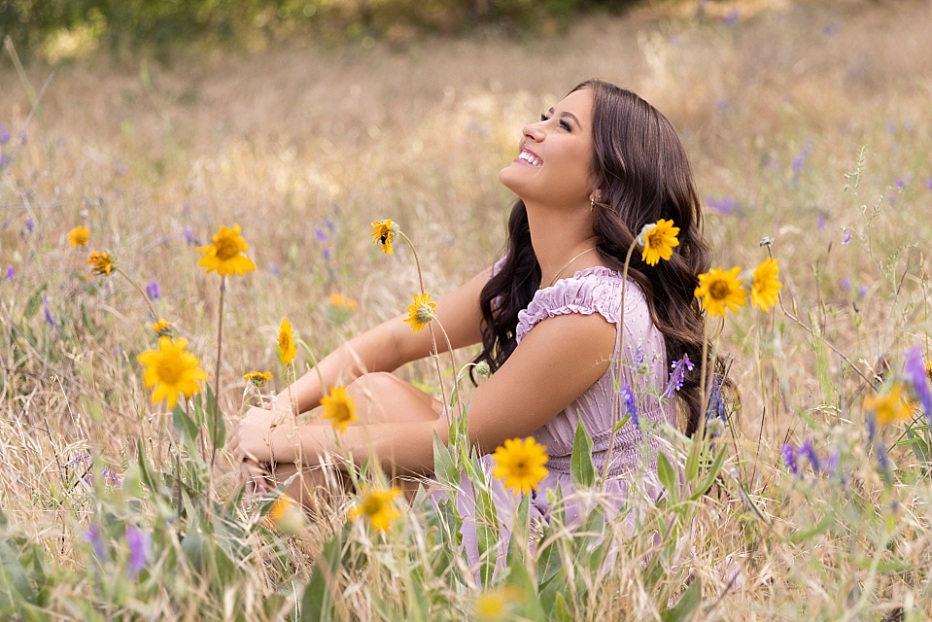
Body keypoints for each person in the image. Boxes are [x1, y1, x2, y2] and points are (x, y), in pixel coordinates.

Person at [229, 79, 714, 535]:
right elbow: (399, 339)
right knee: (375, 395)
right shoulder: (537, 269)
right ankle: (242, 522)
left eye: (563, 126)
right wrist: (273, 411)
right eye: (546, 116)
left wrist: (278, 440)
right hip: (519, 486)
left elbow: (449, 441)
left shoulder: (595, 312)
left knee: (368, 420)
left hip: (566, 539)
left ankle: (235, 531)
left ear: (607, 183)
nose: (532, 128)